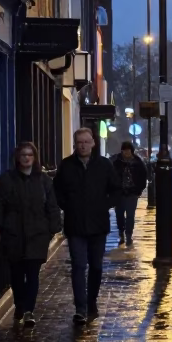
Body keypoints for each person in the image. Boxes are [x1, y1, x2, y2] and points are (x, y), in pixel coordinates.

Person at [0, 142, 62, 327]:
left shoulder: (43, 180)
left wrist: (53, 227)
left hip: (37, 234)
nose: (27, 158)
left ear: (35, 157)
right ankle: (19, 304)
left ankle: (29, 310)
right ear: (18, 158)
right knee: (16, 274)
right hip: (14, 234)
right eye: (23, 155)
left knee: (32, 274)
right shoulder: (8, 179)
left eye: (30, 155)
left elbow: (52, 205)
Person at [54, 128, 120, 325]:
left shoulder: (104, 165)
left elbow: (116, 190)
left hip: (98, 225)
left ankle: (91, 301)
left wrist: (104, 205)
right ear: (75, 144)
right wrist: (69, 207)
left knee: (96, 267)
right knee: (78, 266)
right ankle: (80, 308)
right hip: (75, 225)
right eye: (79, 142)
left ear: (92, 143)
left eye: (86, 141)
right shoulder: (66, 166)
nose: (82, 145)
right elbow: (57, 191)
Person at [110, 141, 148, 247]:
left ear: (132, 151)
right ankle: (121, 232)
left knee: (130, 215)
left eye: (128, 150)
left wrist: (139, 189)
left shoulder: (138, 162)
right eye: (124, 150)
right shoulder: (115, 161)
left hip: (132, 193)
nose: (126, 152)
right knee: (119, 215)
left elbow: (143, 176)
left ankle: (129, 235)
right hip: (119, 193)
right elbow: (110, 176)